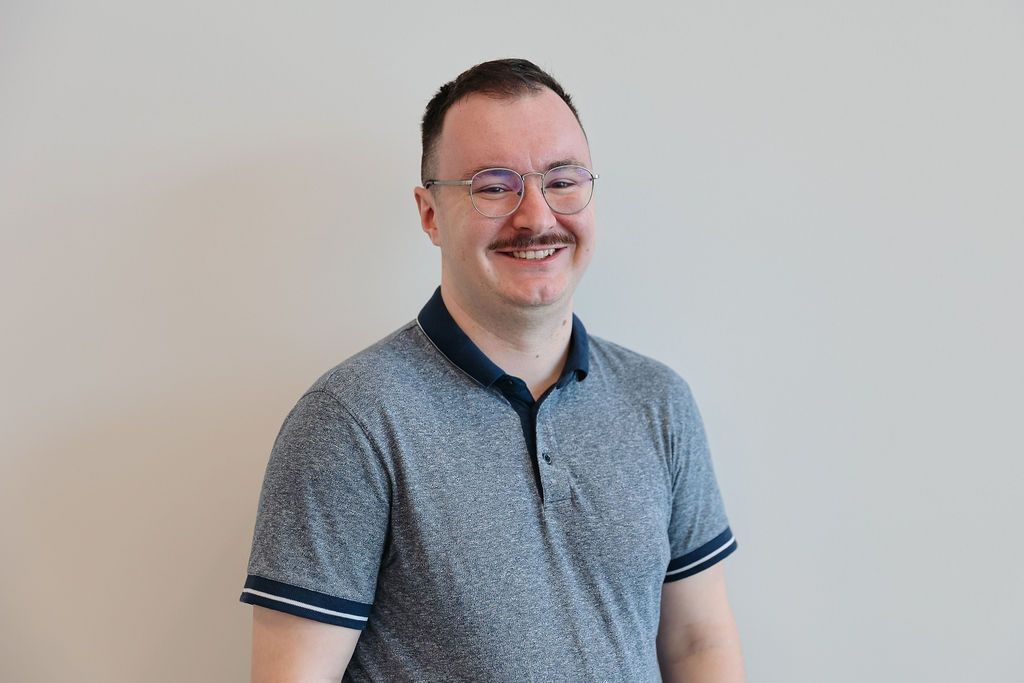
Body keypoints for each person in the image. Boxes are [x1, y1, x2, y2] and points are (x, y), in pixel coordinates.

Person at [240, 58, 744, 682]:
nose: (536, 216)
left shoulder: (657, 401)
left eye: (562, 180)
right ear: (429, 214)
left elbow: (698, 644)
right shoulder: (350, 422)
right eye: (493, 184)